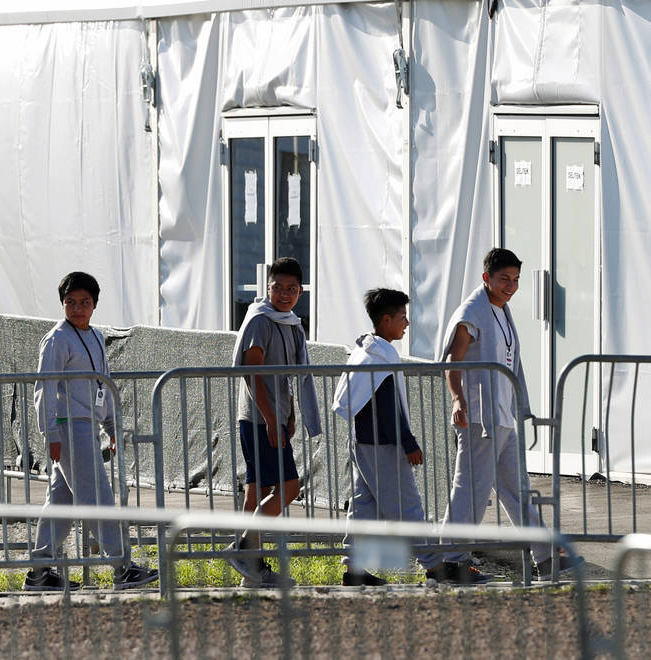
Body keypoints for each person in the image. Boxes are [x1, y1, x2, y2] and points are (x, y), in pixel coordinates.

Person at [440, 248, 580, 582]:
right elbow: (452, 361)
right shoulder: (472, 310)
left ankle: (545, 559)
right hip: (479, 419)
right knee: (471, 491)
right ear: (486, 277)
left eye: (516, 280)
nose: (511, 286)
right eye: (504, 279)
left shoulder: (501, 309)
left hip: (503, 417)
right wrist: (458, 399)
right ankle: (450, 562)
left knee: (517, 491)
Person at [26, 271, 158, 591]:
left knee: (62, 500)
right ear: (63, 304)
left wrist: (112, 426)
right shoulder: (56, 339)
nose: (77, 308)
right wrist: (51, 435)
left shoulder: (97, 336)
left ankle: (40, 570)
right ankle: (121, 565)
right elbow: (44, 388)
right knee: (98, 496)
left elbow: (104, 383)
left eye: (84, 302)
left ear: (95, 304)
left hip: (87, 426)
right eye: (71, 302)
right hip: (70, 426)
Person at [332, 289, 449, 585]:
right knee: (407, 505)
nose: (407, 323)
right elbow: (388, 408)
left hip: (364, 441)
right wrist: (408, 442)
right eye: (402, 317)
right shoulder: (379, 357)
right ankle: (435, 567)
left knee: (363, 506)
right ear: (386, 320)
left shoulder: (366, 351)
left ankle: (354, 570)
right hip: (383, 444)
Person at [226, 257, 322, 588]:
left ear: (300, 291)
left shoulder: (291, 322)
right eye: (277, 287)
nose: (284, 294)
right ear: (267, 288)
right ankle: (243, 549)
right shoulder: (261, 320)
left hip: (275, 417)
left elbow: (287, 377)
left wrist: (291, 412)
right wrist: (270, 419)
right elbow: (252, 371)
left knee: (258, 491)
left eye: (292, 288)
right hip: (257, 418)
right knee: (289, 488)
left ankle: (250, 576)